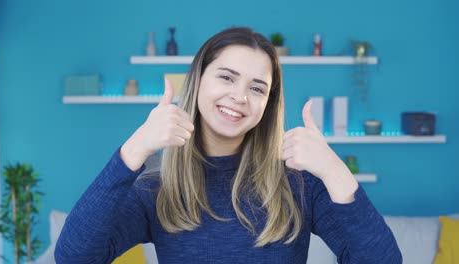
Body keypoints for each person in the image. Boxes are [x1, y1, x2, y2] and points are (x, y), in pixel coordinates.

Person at [55, 27, 402, 263]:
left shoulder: (299, 183)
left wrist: (335, 172)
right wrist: (133, 151)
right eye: (226, 77)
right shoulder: (157, 189)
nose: (239, 97)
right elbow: (75, 257)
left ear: (268, 103)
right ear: (198, 80)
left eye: (257, 88)